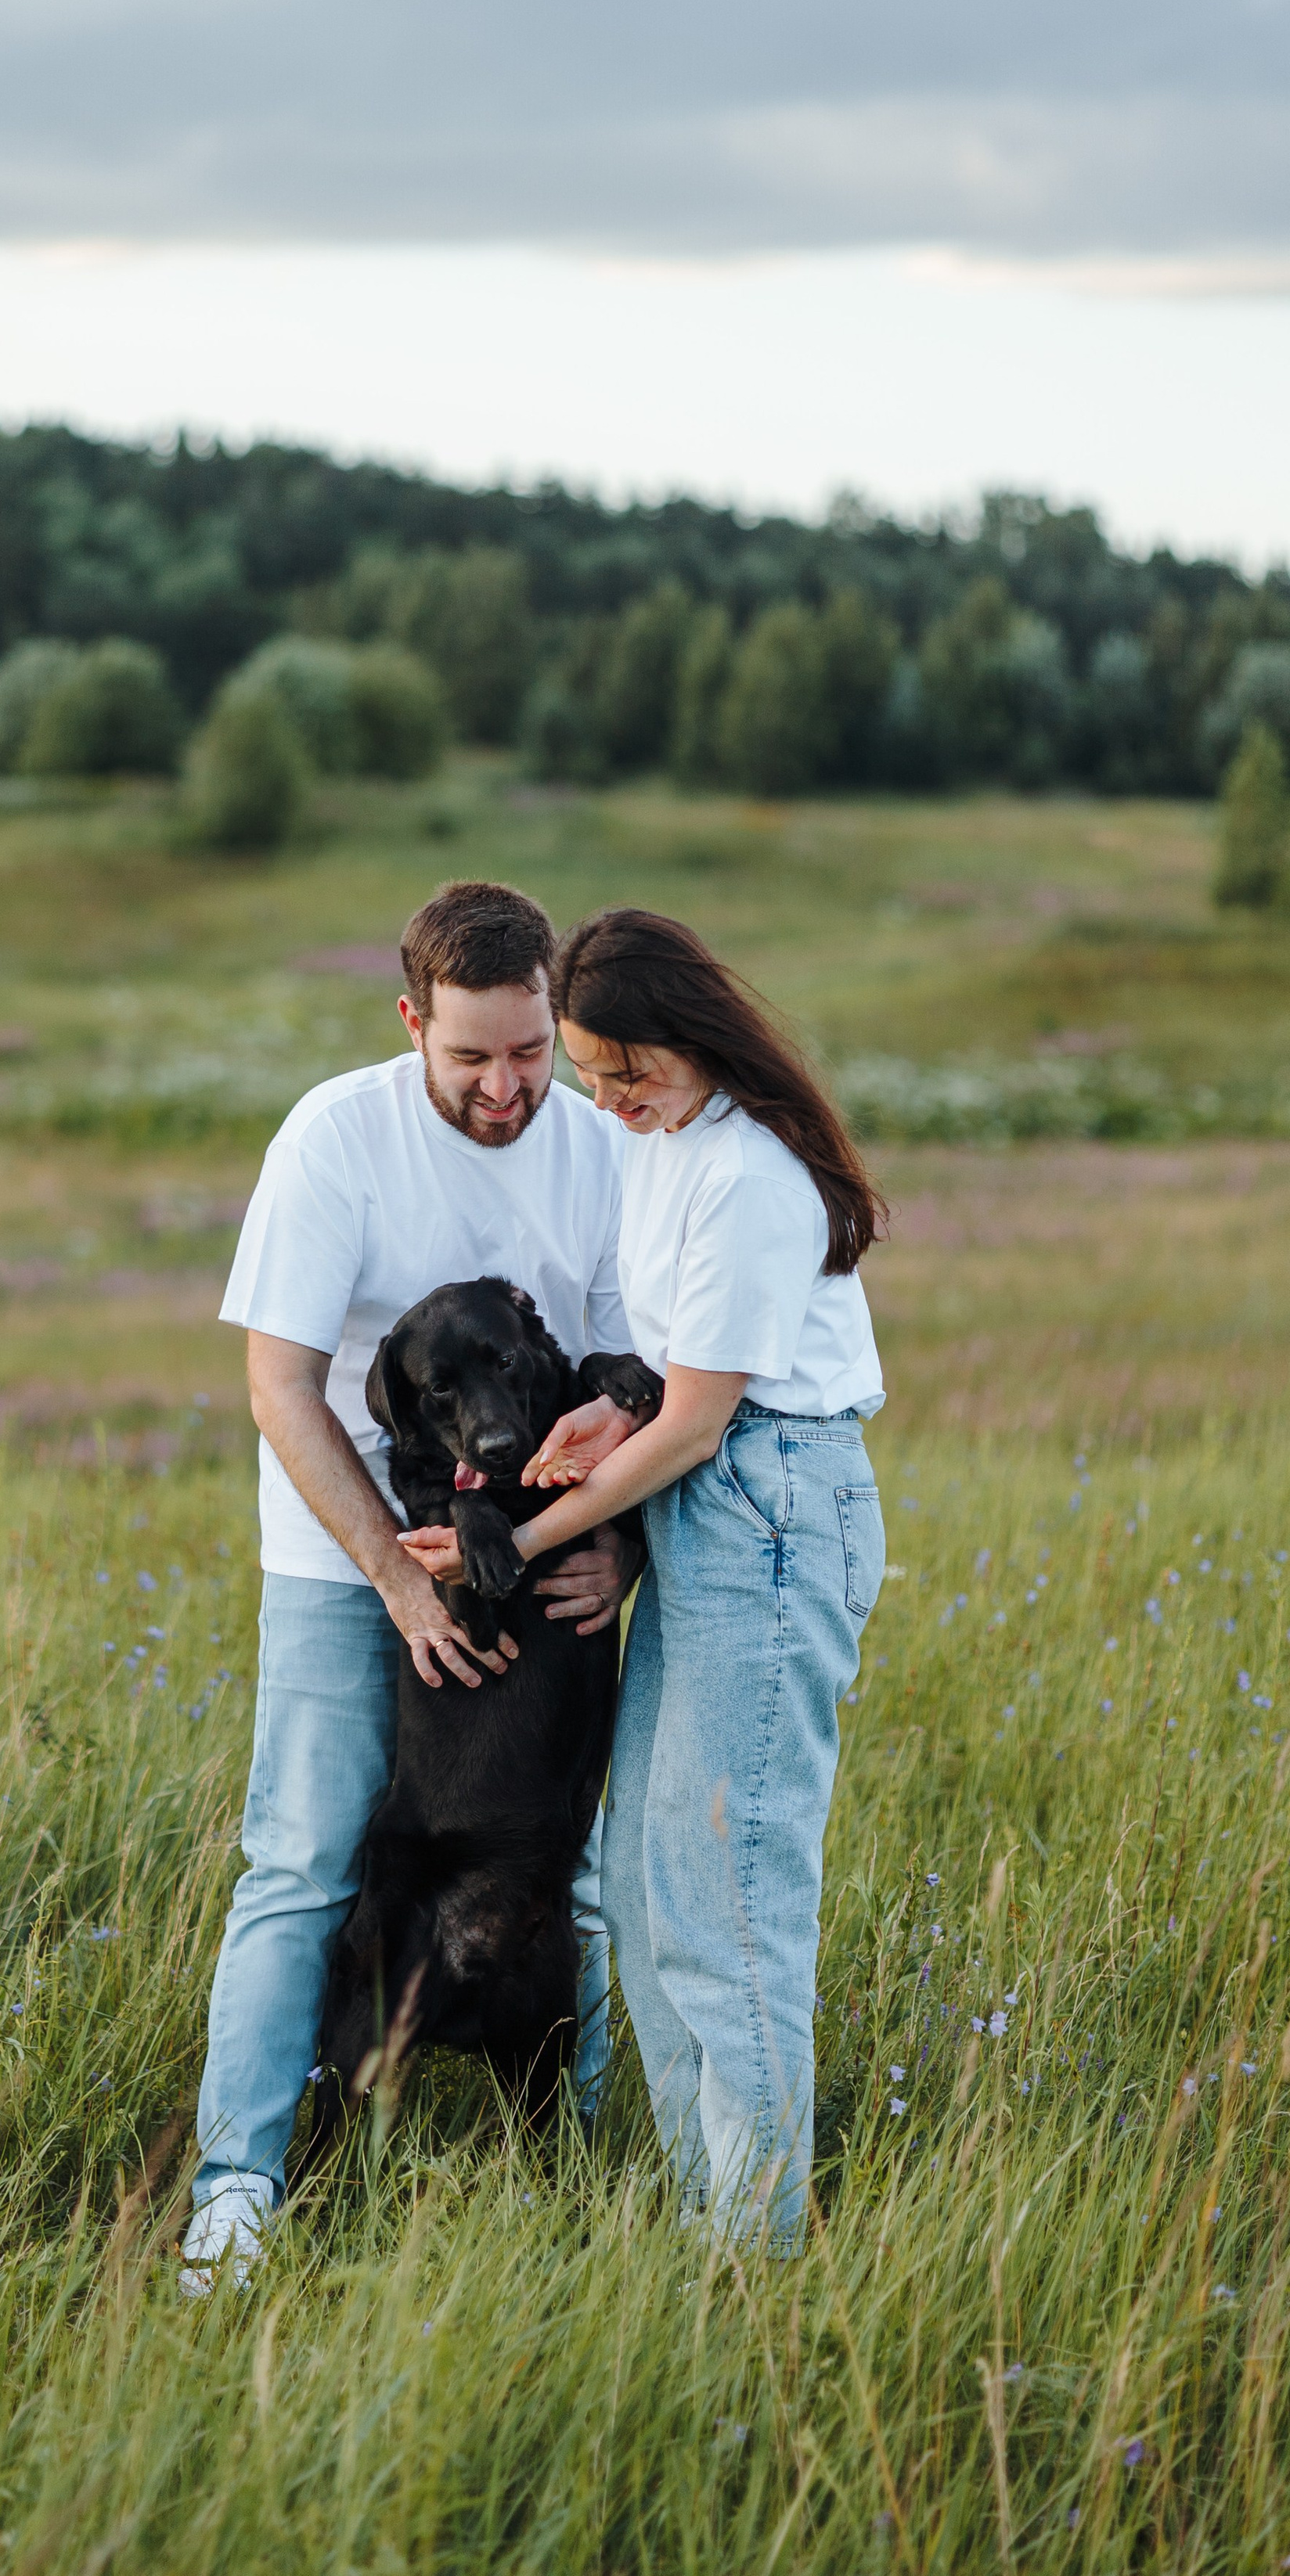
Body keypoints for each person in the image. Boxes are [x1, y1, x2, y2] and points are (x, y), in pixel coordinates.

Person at [400, 907, 885, 2248]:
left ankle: (755, 2253)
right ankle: (706, 2212)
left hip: (768, 1508)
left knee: (726, 1898)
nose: (609, 1104)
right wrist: (606, 1415)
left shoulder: (750, 1176)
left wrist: (516, 1541)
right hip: (706, 1509)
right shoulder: (668, 1146)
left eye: (630, 1073)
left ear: (694, 1035)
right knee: (648, 1885)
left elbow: (701, 1424)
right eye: (593, 1077)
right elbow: (674, 1385)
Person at [182, 880, 642, 2293]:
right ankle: (238, 2194)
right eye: (471, 1057)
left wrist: (620, 1546)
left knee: (579, 1878)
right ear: (410, 1023)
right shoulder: (337, 1137)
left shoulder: (603, 1149)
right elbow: (280, 1385)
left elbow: (633, 1383)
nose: (508, 1088)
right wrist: (394, 1578)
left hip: (542, 1562)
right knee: (302, 1863)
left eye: (531, 1051)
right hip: (344, 1560)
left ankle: (580, 2165)